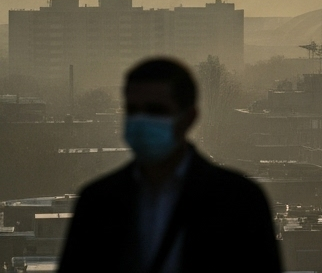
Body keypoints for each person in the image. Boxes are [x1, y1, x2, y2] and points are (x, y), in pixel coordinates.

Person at [59, 57, 282, 273]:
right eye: (133, 110)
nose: (141, 120)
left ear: (189, 117)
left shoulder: (239, 201)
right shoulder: (97, 202)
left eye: (156, 111)